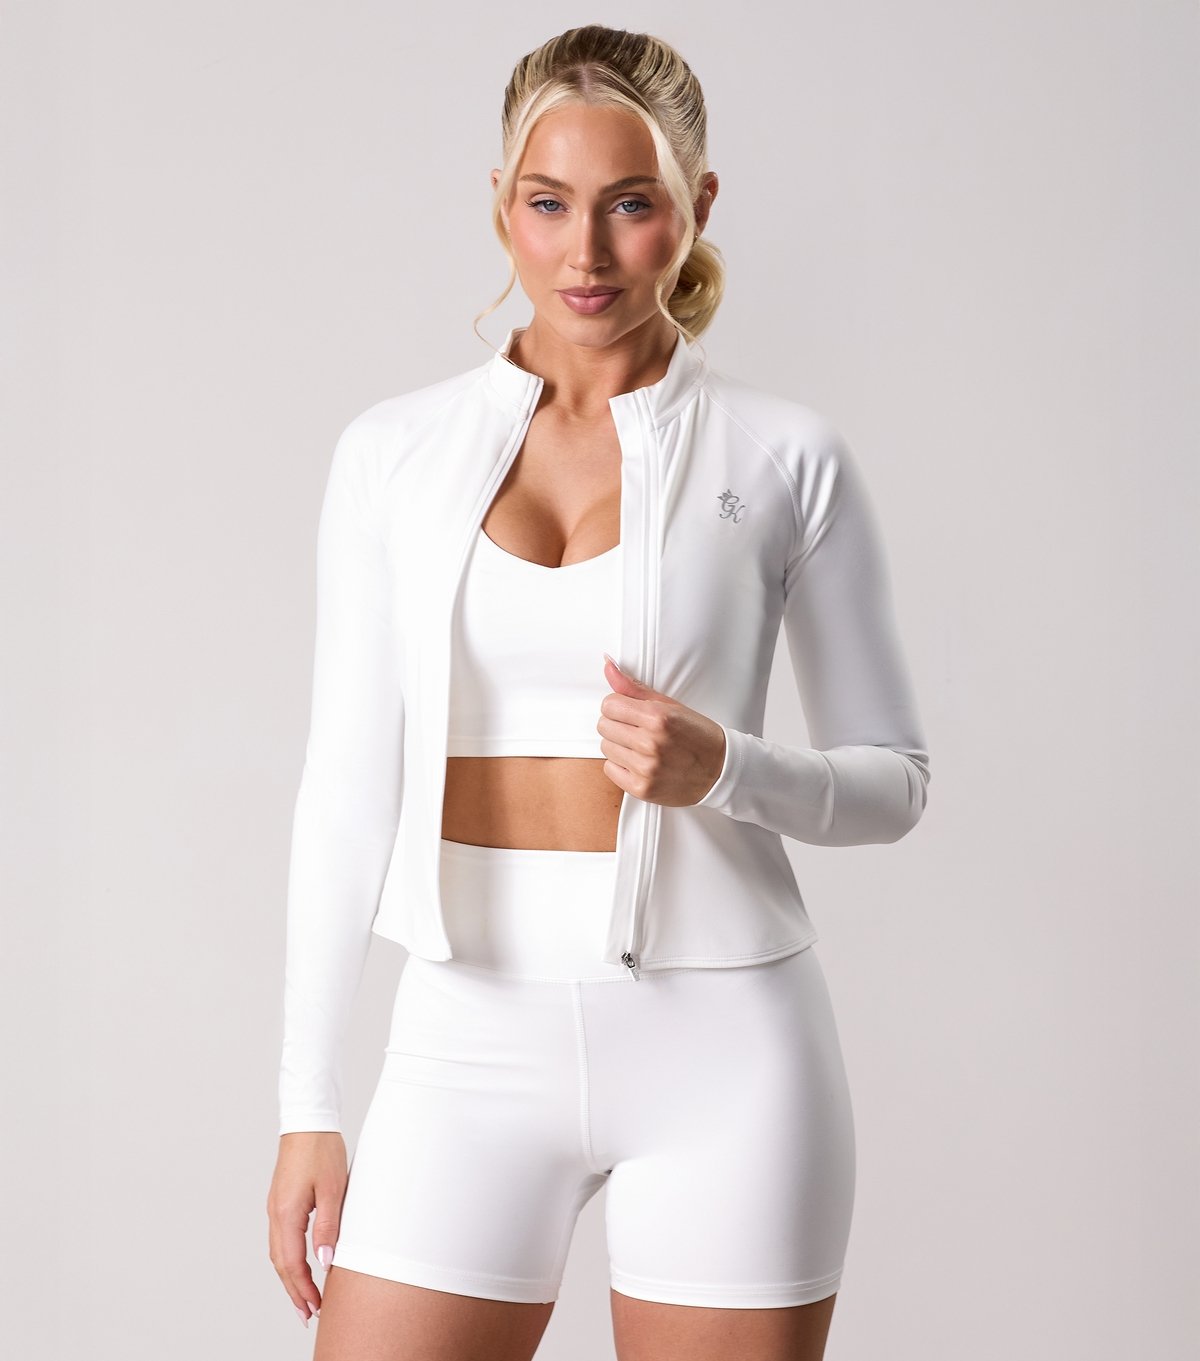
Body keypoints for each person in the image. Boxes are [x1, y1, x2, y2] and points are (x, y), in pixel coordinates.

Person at [266, 23, 930, 1361]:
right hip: (467, 1035)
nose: (586, 252)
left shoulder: (785, 456)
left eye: (631, 204)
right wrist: (306, 1102)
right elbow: (346, 783)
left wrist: (727, 767)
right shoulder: (393, 455)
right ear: (500, 206)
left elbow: (895, 782)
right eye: (548, 203)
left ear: (697, 206)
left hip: (727, 1047)